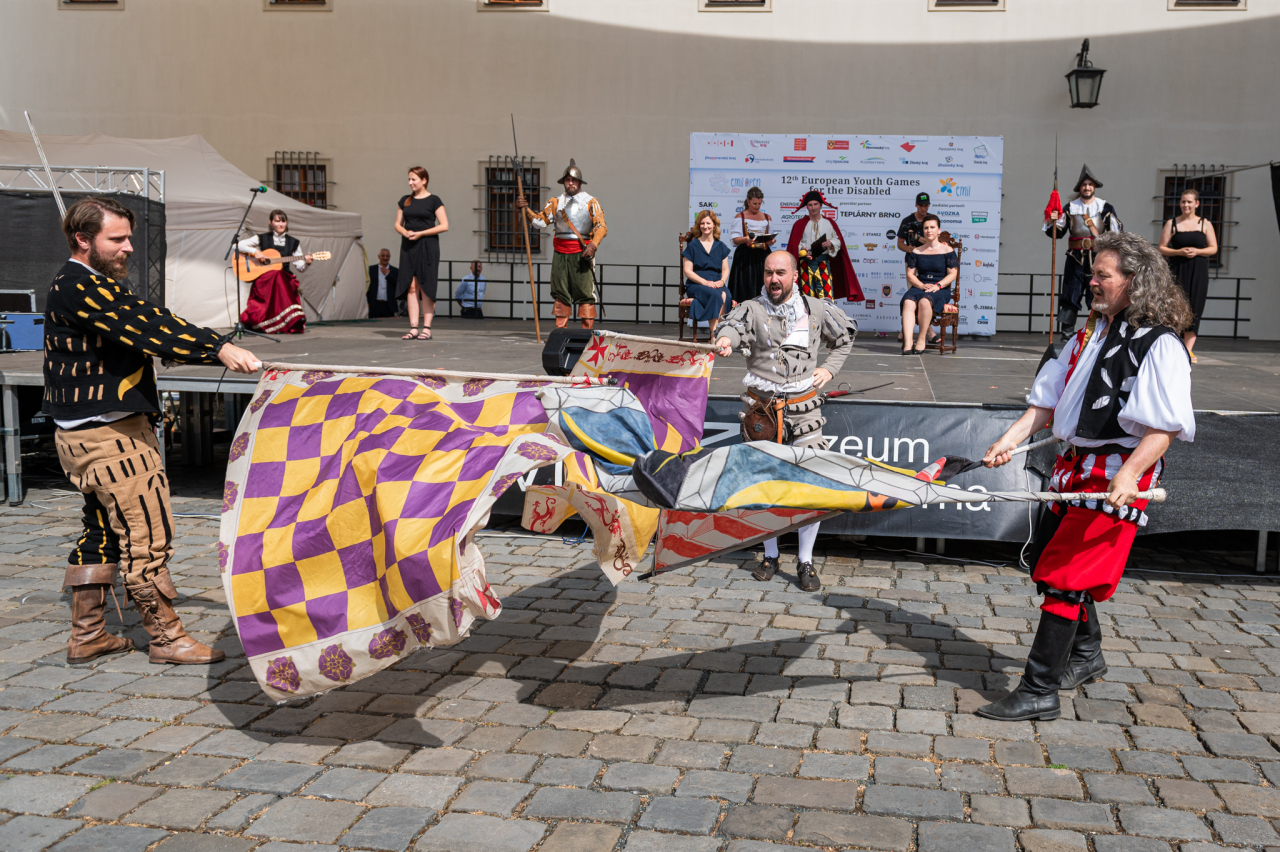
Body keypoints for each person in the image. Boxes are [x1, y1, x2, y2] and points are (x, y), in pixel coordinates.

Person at [975, 231, 1194, 722]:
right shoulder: (1088, 335)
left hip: (1115, 475)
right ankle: (1087, 652)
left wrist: (1130, 475)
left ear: (1134, 281)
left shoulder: (1159, 345)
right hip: (1072, 468)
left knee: (1066, 577)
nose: (1091, 282)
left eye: (1102, 275)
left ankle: (1039, 689)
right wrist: (1009, 439)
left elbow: (1164, 427)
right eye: (1093, 274)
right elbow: (1046, 404)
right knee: (1047, 563)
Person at [47, 196, 260, 665]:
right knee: (146, 534)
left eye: (129, 238)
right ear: (83, 239)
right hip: (110, 437)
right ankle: (166, 638)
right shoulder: (80, 285)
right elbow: (143, 325)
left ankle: (88, 635)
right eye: (116, 239)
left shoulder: (87, 283)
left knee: (101, 532)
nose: (127, 247)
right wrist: (217, 348)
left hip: (90, 434)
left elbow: (141, 320)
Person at [714, 250, 857, 592]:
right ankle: (771, 555)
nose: (773, 279)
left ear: (794, 275)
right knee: (765, 485)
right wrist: (725, 340)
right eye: (768, 273)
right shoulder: (751, 308)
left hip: (805, 410)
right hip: (761, 411)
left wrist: (829, 369)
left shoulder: (816, 309)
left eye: (780, 272)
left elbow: (845, 337)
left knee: (810, 485)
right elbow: (732, 328)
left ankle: (805, 560)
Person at [517, 159, 607, 329]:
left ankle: (586, 333)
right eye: (567, 180)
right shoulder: (555, 202)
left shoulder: (590, 202)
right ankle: (561, 333)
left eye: (573, 180)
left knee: (585, 293)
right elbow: (540, 222)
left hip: (582, 254)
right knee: (560, 293)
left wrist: (593, 245)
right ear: (563, 182)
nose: (570, 183)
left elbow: (601, 227)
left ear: (580, 182)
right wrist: (525, 209)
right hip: (560, 253)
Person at [1044, 165, 1122, 336]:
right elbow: (1057, 234)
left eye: (1090, 184)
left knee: (1098, 294)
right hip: (1075, 259)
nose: (1087, 187)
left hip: (1098, 259)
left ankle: (1098, 334)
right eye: (1084, 184)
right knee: (1070, 295)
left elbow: (1116, 236)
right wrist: (1052, 221)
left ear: (1094, 187)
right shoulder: (1069, 208)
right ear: (1079, 187)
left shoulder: (1105, 208)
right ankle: (1066, 336)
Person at [1159, 188, 1217, 363]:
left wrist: (1197, 251)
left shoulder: (1205, 223)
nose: (1186, 205)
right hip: (1177, 268)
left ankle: (1188, 349)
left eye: (1189, 202)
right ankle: (1175, 346)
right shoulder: (1172, 223)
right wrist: (1179, 252)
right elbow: (1162, 248)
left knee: (1195, 306)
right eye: (1183, 201)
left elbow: (1213, 248)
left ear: (1196, 204)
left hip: (1198, 270)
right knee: (1175, 305)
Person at [237, 209, 312, 334]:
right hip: (265, 279)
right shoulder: (262, 238)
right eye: (277, 221)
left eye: (283, 221)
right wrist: (255, 252)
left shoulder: (293, 242)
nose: (281, 224)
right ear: (271, 222)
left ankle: (286, 322)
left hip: (284, 277)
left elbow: (300, 267)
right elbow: (237, 245)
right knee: (276, 275)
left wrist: (307, 263)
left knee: (279, 275)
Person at [396, 166, 449, 340]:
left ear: (424, 180)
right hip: (409, 246)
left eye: (414, 179)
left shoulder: (434, 200)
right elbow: (397, 224)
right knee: (411, 286)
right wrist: (405, 233)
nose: (410, 182)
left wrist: (422, 233)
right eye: (409, 179)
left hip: (427, 245)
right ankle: (413, 328)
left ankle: (427, 328)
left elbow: (444, 225)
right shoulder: (405, 200)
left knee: (426, 286)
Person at [785, 190, 862, 303]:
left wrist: (831, 243)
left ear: (821, 205)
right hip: (805, 263)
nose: (813, 208)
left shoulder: (829, 223)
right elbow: (793, 245)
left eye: (816, 204)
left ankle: (826, 314)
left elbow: (838, 241)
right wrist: (802, 249)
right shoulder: (799, 224)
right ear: (806, 206)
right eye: (810, 205)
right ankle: (808, 314)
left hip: (823, 263)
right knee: (806, 296)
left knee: (826, 295)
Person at [900, 214, 958, 354]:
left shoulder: (948, 251)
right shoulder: (916, 251)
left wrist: (938, 286)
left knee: (925, 301)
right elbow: (910, 274)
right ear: (923, 231)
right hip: (920, 285)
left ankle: (921, 339)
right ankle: (908, 342)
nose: (929, 230)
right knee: (908, 302)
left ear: (938, 230)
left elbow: (952, 274)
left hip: (940, 288)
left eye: (932, 227)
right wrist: (920, 285)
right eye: (926, 228)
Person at [681, 211, 732, 337]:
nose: (705, 226)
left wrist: (722, 281)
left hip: (716, 282)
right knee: (716, 295)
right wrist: (705, 282)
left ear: (714, 225)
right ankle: (714, 335)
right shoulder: (693, 246)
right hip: (697, 284)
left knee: (725, 295)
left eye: (708, 223)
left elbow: (725, 269)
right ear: (699, 225)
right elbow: (687, 271)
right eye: (702, 223)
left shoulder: (721, 246)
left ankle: (720, 333)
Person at [727, 187, 774, 306]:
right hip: (745, 256)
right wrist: (746, 239)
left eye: (759, 203)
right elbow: (734, 240)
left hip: (763, 255)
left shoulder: (767, 217)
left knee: (763, 284)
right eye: (754, 203)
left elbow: (770, 239)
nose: (757, 206)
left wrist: (771, 241)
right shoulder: (740, 216)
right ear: (748, 201)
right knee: (745, 286)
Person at [367, 248, 399, 319]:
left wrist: (388, 274)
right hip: (374, 305)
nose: (385, 258)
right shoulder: (371, 270)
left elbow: (398, 285)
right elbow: (367, 287)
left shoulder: (395, 271)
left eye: (387, 256)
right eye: (383, 256)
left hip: (389, 305)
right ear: (379, 256)